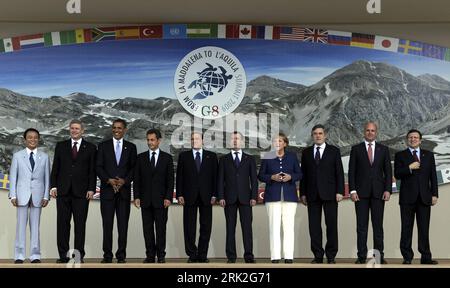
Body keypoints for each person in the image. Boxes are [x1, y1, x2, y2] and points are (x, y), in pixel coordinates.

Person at [50, 119, 97, 263]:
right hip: (63, 191)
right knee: (62, 224)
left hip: (82, 193)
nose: (74, 130)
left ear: (82, 131)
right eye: (72, 128)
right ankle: (63, 256)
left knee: (80, 225)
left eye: (77, 128)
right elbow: (55, 168)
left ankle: (78, 256)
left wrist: (91, 188)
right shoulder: (61, 146)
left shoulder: (90, 147)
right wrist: (53, 186)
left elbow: (92, 171)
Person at [348, 121, 392, 264]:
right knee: (361, 227)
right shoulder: (356, 149)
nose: (370, 133)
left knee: (378, 226)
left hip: (379, 193)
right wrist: (352, 190)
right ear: (364, 132)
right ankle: (361, 256)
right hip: (360, 194)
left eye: (372, 130)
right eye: (367, 130)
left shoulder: (383, 149)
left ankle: (379, 256)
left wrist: (387, 190)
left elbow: (388, 171)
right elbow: (352, 172)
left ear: (376, 132)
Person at [300, 124, 344, 264]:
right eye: (315, 134)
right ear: (312, 136)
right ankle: (318, 255)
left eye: (320, 133)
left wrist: (340, 191)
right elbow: (304, 175)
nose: (318, 136)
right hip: (312, 194)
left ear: (325, 135)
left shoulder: (334, 151)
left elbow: (339, 173)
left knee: (331, 225)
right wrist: (303, 193)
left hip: (330, 194)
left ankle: (331, 255)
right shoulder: (306, 153)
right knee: (314, 227)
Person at [394, 129, 438, 265]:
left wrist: (435, 194)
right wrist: (409, 167)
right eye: (411, 137)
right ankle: (407, 257)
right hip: (407, 198)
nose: (413, 139)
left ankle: (426, 257)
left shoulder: (428, 155)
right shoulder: (400, 155)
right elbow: (397, 174)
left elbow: (433, 177)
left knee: (424, 228)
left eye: (416, 137)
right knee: (406, 228)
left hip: (425, 198)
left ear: (420, 140)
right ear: (407, 139)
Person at [96, 119, 137, 263]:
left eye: (119, 128)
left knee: (123, 226)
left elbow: (133, 168)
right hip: (107, 192)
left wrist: (124, 181)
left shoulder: (131, 147)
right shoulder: (103, 146)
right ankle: (107, 256)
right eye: (114, 128)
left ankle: (121, 256)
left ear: (125, 130)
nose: (116, 130)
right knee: (107, 225)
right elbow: (98, 167)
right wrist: (109, 180)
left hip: (124, 193)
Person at [258, 133, 302, 264]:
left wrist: (291, 177)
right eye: (275, 141)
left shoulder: (292, 157)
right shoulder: (268, 157)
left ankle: (289, 256)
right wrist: (272, 177)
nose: (277, 143)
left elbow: (299, 174)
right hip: (272, 197)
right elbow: (260, 175)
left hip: (289, 196)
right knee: (274, 227)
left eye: (280, 141)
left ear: (285, 143)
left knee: (289, 227)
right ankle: (275, 256)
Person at [9, 128, 50, 264]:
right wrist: (13, 195)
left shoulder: (44, 157)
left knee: (35, 226)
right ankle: (19, 255)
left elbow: (46, 178)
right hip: (21, 195)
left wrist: (46, 196)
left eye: (35, 137)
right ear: (24, 140)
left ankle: (35, 255)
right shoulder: (17, 156)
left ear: (38, 139)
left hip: (38, 195)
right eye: (30, 137)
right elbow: (13, 176)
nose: (33, 140)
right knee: (20, 226)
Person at [176, 132, 218, 263]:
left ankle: (202, 254)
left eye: (197, 139)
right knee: (189, 227)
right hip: (189, 196)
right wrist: (179, 194)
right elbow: (180, 177)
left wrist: (215, 194)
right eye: (192, 139)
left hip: (207, 196)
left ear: (203, 141)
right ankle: (192, 254)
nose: (195, 141)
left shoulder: (211, 156)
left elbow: (215, 178)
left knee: (206, 226)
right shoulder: (184, 156)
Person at [134, 129, 174, 264]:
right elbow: (137, 179)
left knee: (161, 229)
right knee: (148, 230)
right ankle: (150, 255)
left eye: (152, 140)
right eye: (148, 140)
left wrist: (168, 197)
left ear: (159, 140)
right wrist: (137, 196)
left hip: (162, 201)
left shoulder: (167, 158)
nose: (149, 142)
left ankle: (161, 255)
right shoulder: (140, 158)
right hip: (145, 200)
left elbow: (170, 180)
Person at [217, 131, 258, 264]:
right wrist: (221, 196)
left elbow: (254, 180)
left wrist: (254, 197)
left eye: (237, 138)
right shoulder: (223, 159)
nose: (235, 141)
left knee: (247, 228)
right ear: (230, 142)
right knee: (230, 228)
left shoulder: (249, 159)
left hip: (246, 199)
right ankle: (231, 257)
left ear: (242, 141)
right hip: (229, 198)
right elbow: (220, 180)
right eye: (233, 139)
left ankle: (249, 256)